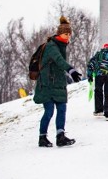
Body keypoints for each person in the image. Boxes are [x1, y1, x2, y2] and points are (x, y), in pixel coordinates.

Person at [34, 16, 82, 147]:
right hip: (46, 85)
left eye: (69, 34)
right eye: (66, 34)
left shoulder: (62, 45)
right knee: (49, 111)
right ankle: (42, 137)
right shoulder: (51, 46)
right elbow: (58, 60)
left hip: (58, 84)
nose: (68, 37)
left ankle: (60, 136)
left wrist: (66, 76)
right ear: (60, 33)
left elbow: (57, 66)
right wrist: (71, 70)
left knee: (62, 109)